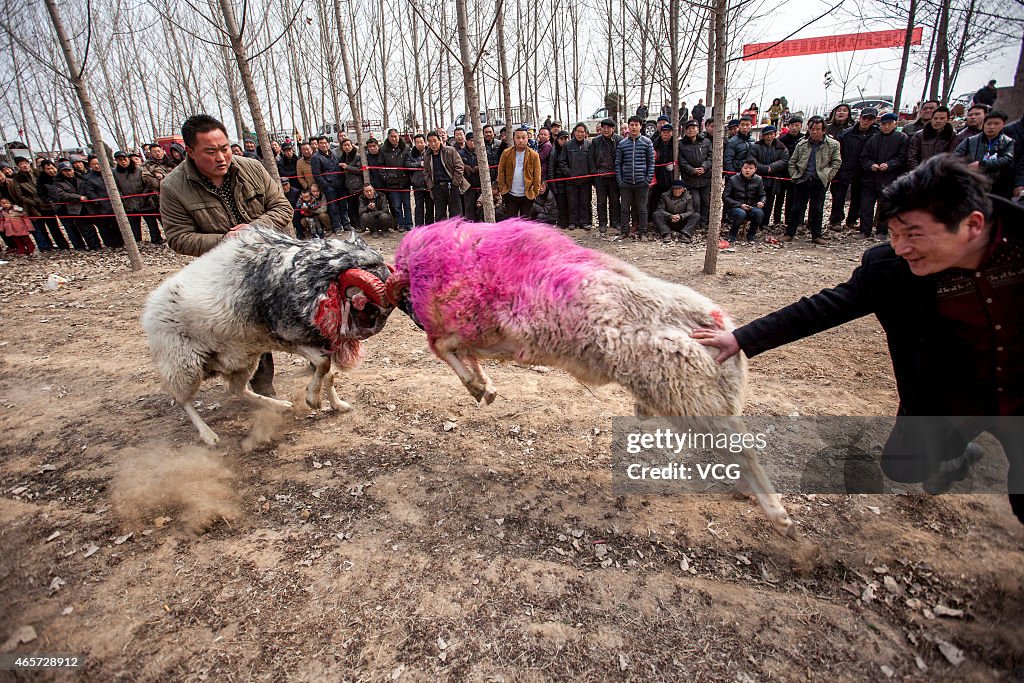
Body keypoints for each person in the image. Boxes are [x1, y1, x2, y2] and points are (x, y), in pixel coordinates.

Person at [691, 154, 1023, 523]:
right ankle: (957, 453)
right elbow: (823, 308)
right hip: (952, 397)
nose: (901, 248)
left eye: (913, 234)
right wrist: (741, 338)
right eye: (894, 235)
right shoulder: (892, 270)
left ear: (972, 225)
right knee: (904, 467)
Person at [159, 114, 292, 397]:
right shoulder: (173, 187)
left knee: (290, 315)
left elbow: (282, 208)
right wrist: (225, 240)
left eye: (225, 148)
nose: (221, 157)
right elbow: (178, 238)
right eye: (211, 151)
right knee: (251, 327)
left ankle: (317, 358)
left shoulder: (252, 168)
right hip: (227, 273)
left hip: (271, 258)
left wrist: (254, 228)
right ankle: (260, 383)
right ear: (190, 152)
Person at [785, 115, 841, 244]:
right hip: (802, 179)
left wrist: (827, 176)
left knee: (817, 208)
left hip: (819, 180)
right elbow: (792, 162)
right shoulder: (802, 144)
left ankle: (816, 235)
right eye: (812, 129)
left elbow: (836, 162)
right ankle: (789, 233)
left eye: (818, 129)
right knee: (796, 208)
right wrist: (795, 176)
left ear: (823, 130)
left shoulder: (833, 145)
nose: (815, 132)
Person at [857, 113, 909, 238]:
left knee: (885, 205)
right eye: (884, 124)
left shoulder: (901, 138)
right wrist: (871, 165)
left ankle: (882, 231)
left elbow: (903, 157)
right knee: (866, 205)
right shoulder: (873, 139)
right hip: (871, 178)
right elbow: (863, 157)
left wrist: (890, 164)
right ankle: (865, 230)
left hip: (890, 177)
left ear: (895, 124)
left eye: (889, 124)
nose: (886, 127)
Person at [830, 107, 879, 231]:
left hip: (864, 171)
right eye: (864, 118)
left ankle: (852, 220)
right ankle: (836, 220)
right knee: (839, 197)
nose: (866, 121)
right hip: (845, 168)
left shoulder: (876, 134)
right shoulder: (846, 133)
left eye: (870, 119)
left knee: (858, 197)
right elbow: (837, 152)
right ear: (860, 117)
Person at [955, 110, 1015, 198]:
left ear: (1003, 125)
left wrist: (981, 164)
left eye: (996, 124)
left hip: (997, 184)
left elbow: (1007, 159)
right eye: (989, 124)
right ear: (984, 124)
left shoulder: (1008, 142)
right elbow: (955, 156)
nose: (992, 127)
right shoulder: (970, 141)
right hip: (973, 181)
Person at [615, 115, 655, 240]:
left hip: (641, 182)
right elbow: (618, 163)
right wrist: (620, 180)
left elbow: (651, 162)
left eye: (636, 125)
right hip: (626, 182)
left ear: (640, 127)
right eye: (631, 125)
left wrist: (647, 179)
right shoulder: (622, 144)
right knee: (625, 208)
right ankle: (624, 231)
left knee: (642, 208)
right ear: (629, 126)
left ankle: (643, 232)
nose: (634, 127)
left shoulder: (647, 142)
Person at [50, 161, 100, 250]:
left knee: (99, 226)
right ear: (61, 172)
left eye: (70, 170)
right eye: (65, 171)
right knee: (85, 229)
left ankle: (100, 244)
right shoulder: (58, 182)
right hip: (76, 209)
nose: (69, 173)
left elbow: (89, 188)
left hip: (89, 206)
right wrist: (78, 197)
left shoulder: (81, 178)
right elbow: (61, 194)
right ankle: (94, 246)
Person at [750, 125, 790, 227]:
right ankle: (755, 222)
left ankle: (765, 223)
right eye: (766, 135)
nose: (769, 137)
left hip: (774, 180)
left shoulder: (781, 147)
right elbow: (751, 161)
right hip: (758, 179)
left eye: (771, 134)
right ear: (763, 136)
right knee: (756, 201)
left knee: (769, 202)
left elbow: (785, 161)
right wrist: (764, 168)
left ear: (775, 134)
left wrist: (772, 167)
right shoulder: (756, 146)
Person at [496, 128, 542, 218]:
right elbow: (501, 172)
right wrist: (502, 189)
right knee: (511, 221)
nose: (521, 140)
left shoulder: (534, 155)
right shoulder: (506, 153)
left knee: (525, 222)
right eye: (518, 137)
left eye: (523, 137)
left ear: (527, 138)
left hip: (527, 195)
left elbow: (537, 175)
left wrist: (535, 192)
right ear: (514, 138)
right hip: (510, 193)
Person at [423, 131, 468, 220]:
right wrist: (431, 186)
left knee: (455, 213)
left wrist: (455, 183)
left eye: (435, 141)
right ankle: (442, 233)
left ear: (440, 140)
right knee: (440, 215)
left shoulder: (450, 150)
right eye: (430, 141)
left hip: (452, 185)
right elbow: (426, 172)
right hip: (437, 187)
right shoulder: (427, 155)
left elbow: (459, 166)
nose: (433, 144)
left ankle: (455, 233)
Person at [589, 117, 621, 236]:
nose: (606, 130)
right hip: (600, 176)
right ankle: (602, 223)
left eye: (609, 128)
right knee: (601, 201)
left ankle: (615, 222)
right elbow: (591, 158)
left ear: (613, 129)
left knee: (615, 201)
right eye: (604, 127)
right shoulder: (596, 141)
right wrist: (594, 173)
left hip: (614, 176)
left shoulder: (619, 140)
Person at [678, 120, 712, 229]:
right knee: (695, 202)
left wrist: (704, 167)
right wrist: (692, 170)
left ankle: (704, 222)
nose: (691, 130)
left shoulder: (706, 142)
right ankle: (695, 223)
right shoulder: (681, 144)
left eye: (693, 128)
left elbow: (711, 157)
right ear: (685, 130)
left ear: (698, 129)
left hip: (705, 177)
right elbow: (681, 161)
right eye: (688, 128)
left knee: (706, 202)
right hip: (690, 179)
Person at [723, 158, 767, 243]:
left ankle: (751, 235)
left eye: (751, 168)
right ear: (741, 168)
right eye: (745, 168)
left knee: (759, 213)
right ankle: (732, 235)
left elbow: (763, 194)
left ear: (755, 169)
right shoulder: (733, 179)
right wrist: (739, 205)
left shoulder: (758, 179)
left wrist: (762, 202)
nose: (747, 170)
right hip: (735, 207)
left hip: (751, 206)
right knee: (741, 213)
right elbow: (725, 196)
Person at [381, 129, 413, 231]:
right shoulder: (383, 150)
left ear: (399, 136)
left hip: (405, 182)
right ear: (388, 137)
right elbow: (380, 166)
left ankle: (409, 224)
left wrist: (410, 178)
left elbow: (410, 162)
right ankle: (400, 224)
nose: (394, 138)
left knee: (407, 205)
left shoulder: (406, 148)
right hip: (392, 183)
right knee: (397, 206)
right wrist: (386, 177)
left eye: (396, 136)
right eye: (392, 136)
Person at [311, 136, 344, 232]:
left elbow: (338, 168)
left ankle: (346, 224)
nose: (324, 145)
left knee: (343, 206)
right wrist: (327, 186)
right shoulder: (315, 157)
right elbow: (317, 175)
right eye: (321, 143)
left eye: (325, 143)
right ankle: (337, 226)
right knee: (333, 208)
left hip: (339, 184)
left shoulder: (333, 153)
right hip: (329, 186)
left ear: (328, 143)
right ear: (318, 145)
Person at [775, 117, 805, 226]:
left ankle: (790, 220)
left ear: (801, 126)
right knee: (779, 197)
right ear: (788, 126)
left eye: (797, 125)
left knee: (792, 198)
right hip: (782, 172)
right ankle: (776, 220)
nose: (794, 128)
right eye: (792, 125)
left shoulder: (804, 139)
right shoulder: (782, 140)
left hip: (797, 173)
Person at [907, 105, 956, 170]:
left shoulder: (952, 135)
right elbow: (911, 157)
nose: (938, 121)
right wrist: (919, 173)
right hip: (921, 172)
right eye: (935, 118)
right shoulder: (919, 135)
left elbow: (953, 157)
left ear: (947, 120)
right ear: (931, 119)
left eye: (942, 118)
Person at [337, 139, 364, 230]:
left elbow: (360, 170)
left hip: (358, 186)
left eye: (349, 145)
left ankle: (362, 225)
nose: (347, 147)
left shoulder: (357, 156)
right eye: (345, 145)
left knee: (360, 207)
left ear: (352, 145)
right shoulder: (342, 157)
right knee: (352, 208)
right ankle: (356, 225)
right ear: (342, 147)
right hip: (348, 187)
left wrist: (347, 167)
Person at [650, 124, 675, 217]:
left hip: (671, 175)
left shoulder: (675, 144)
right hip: (658, 173)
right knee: (656, 196)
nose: (666, 135)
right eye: (664, 132)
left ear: (671, 133)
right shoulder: (655, 144)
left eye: (668, 132)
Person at [547, 130, 571, 228]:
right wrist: (553, 186)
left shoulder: (569, 149)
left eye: (566, 139)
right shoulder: (554, 151)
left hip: (569, 183)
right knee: (561, 205)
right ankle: (562, 223)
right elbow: (551, 169)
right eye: (562, 139)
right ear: (557, 140)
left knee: (569, 203)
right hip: (558, 183)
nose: (564, 141)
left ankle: (570, 222)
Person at [408, 134, 433, 226]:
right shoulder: (411, 154)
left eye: (421, 142)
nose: (420, 144)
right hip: (417, 184)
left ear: (425, 142)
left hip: (429, 184)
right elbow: (408, 165)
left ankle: (429, 226)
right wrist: (419, 164)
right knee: (419, 207)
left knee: (430, 206)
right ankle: (419, 226)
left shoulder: (430, 152)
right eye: (417, 142)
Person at [459, 133, 481, 221]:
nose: (473, 143)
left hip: (480, 185)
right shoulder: (460, 153)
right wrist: (464, 167)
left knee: (480, 208)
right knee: (468, 209)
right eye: (471, 141)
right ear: (467, 141)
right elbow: (456, 166)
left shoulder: (481, 151)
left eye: (474, 141)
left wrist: (480, 168)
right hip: (467, 186)